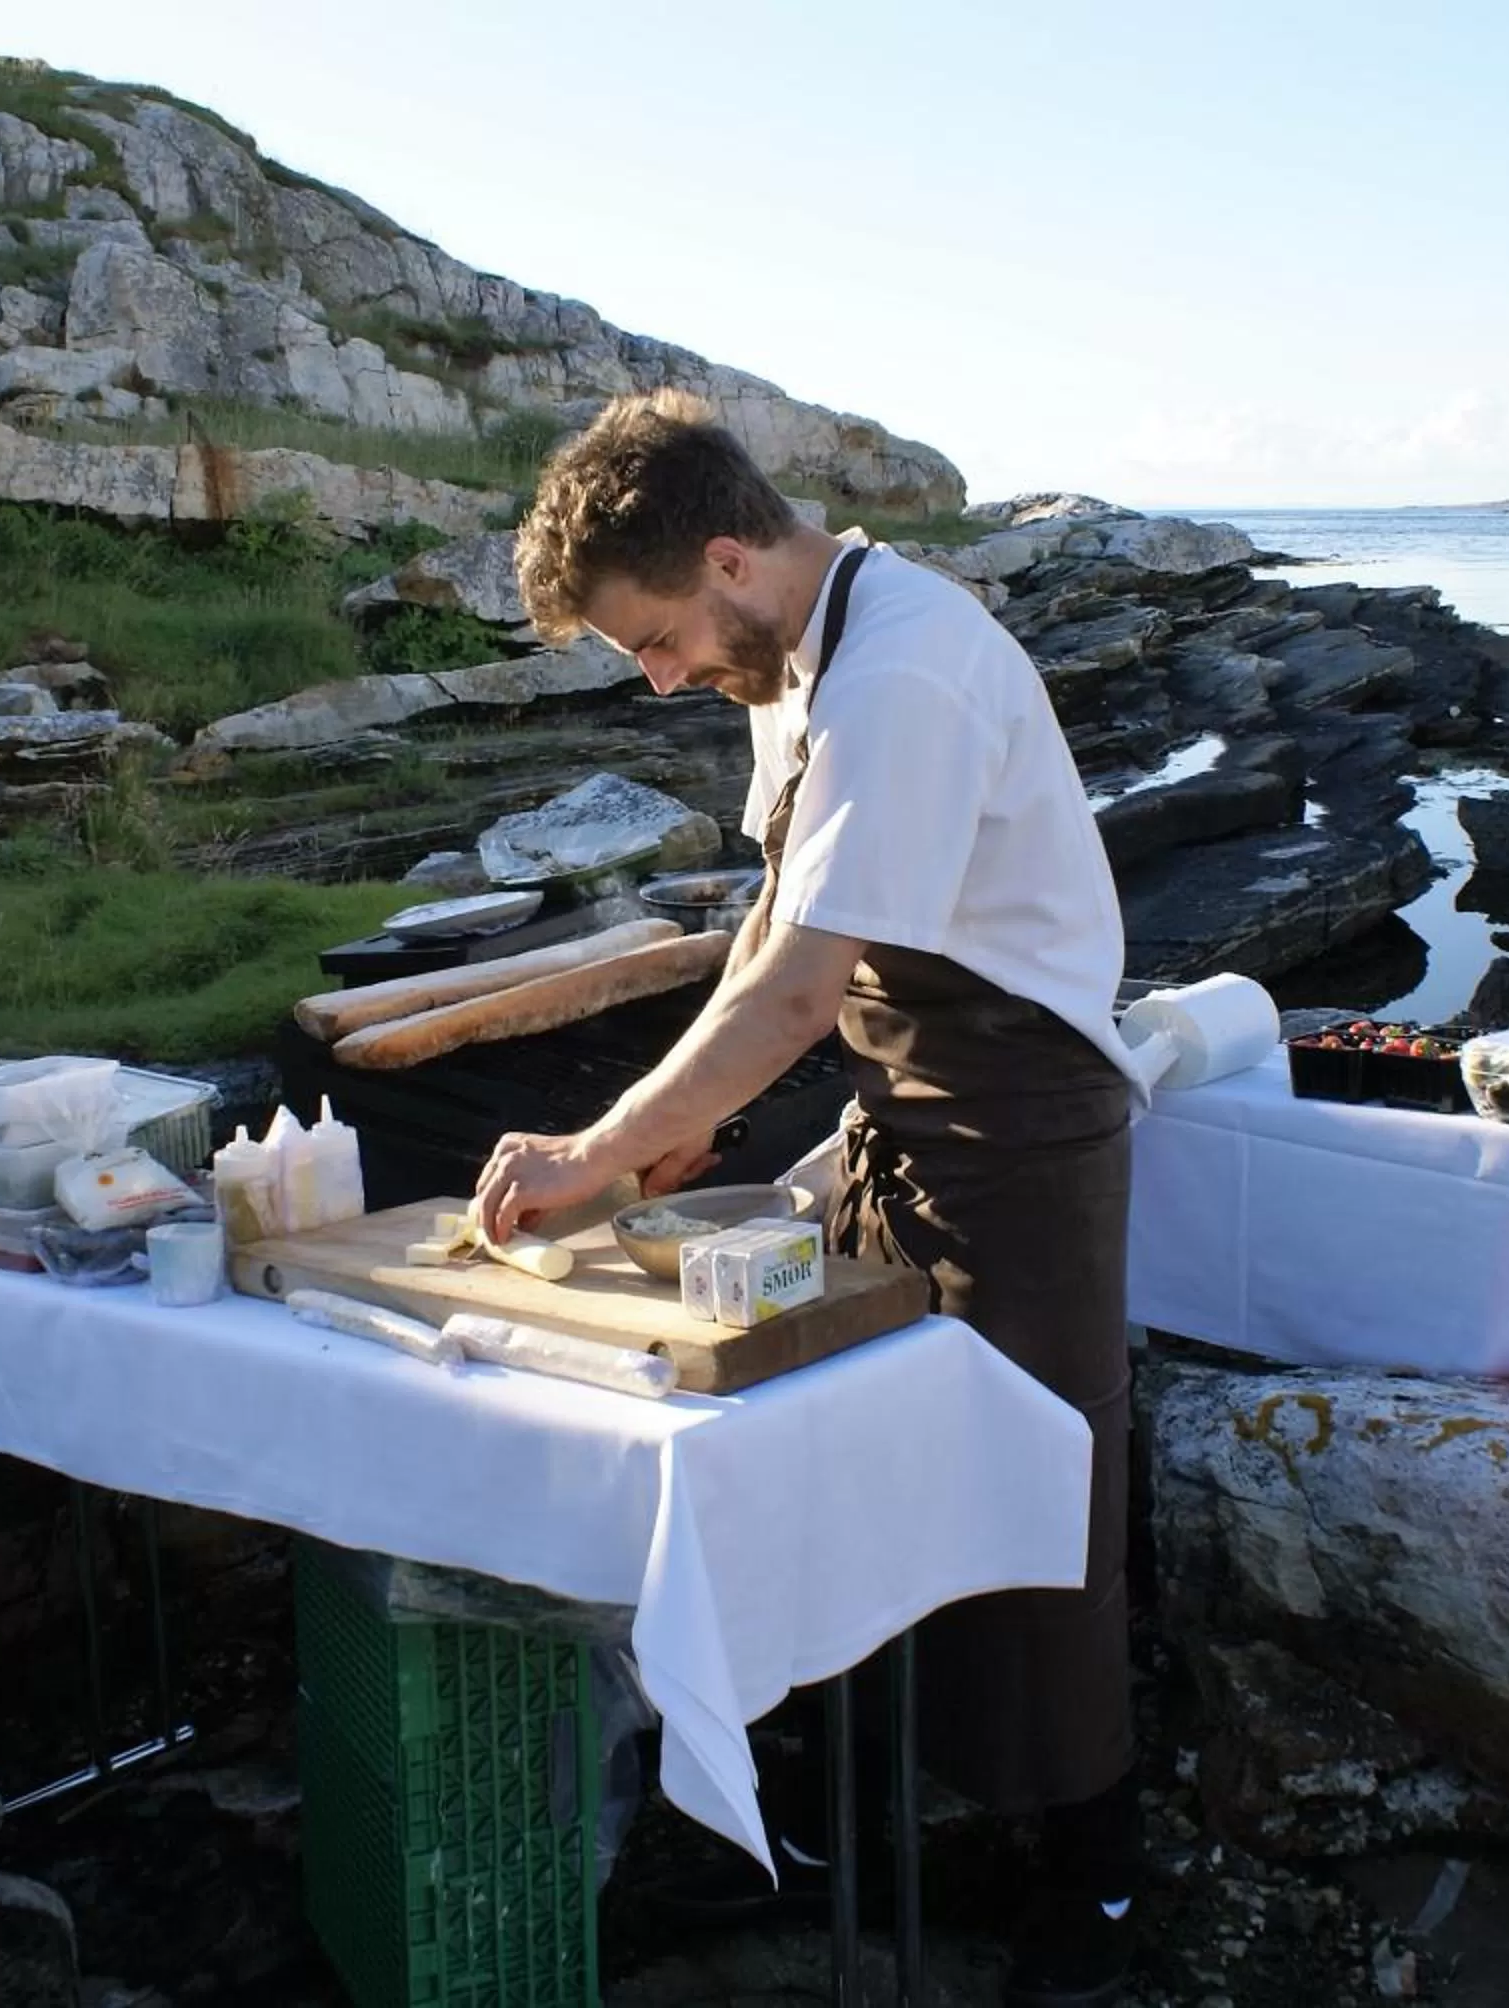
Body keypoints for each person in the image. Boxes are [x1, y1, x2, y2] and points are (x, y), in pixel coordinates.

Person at [474, 390, 1146, 2007]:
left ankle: (1098, 1876)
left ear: (727, 557)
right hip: (900, 1104)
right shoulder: (799, 651)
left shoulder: (902, 666)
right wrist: (674, 1140)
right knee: (859, 1468)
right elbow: (786, 929)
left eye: (655, 640)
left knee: (1039, 1497)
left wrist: (591, 1153)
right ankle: (871, 1816)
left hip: (1024, 1127)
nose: (659, 676)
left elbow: (788, 995)